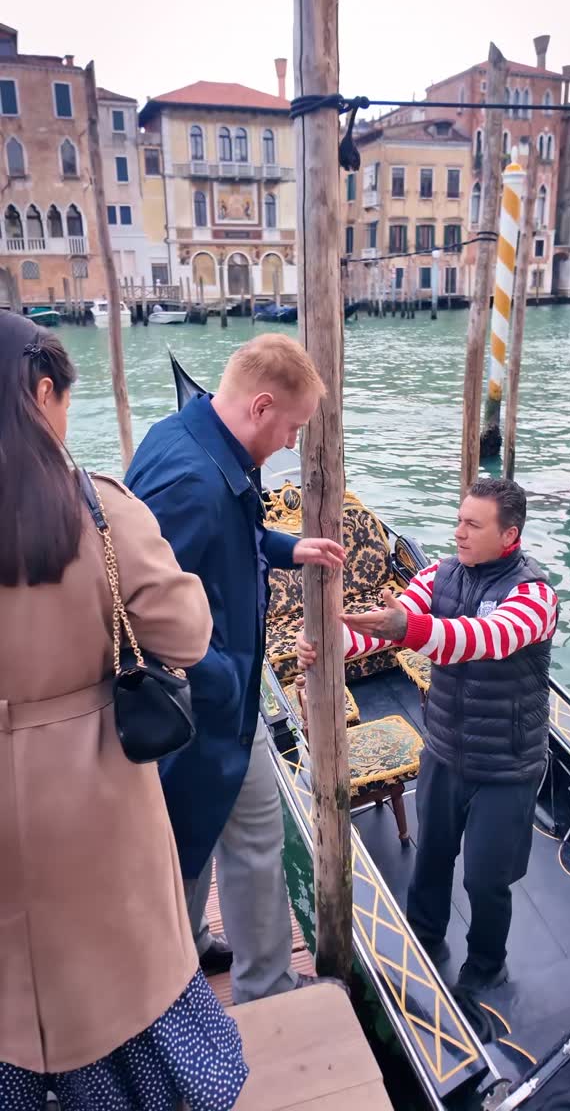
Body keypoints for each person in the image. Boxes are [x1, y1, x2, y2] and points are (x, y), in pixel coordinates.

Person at [0, 312, 248, 1111]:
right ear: (42, 392)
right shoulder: (93, 507)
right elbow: (185, 631)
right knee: (122, 990)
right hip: (93, 804)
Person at [126, 333, 344, 1003]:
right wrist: (223, 680)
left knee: (196, 833)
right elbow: (144, 608)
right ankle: (261, 984)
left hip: (214, 697)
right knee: (235, 838)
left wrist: (286, 547)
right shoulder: (192, 482)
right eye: (292, 427)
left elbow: (231, 539)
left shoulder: (188, 437)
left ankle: (192, 953)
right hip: (205, 706)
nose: (289, 443)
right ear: (260, 406)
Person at [297, 477, 558, 992]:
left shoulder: (534, 595)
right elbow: (395, 623)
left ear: (510, 537)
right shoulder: (439, 575)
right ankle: (424, 936)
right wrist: (325, 644)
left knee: (487, 879)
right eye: (459, 519)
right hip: (443, 749)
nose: (457, 532)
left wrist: (405, 630)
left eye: (472, 525)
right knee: (431, 857)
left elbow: (482, 639)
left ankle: (485, 968)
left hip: (507, 767)